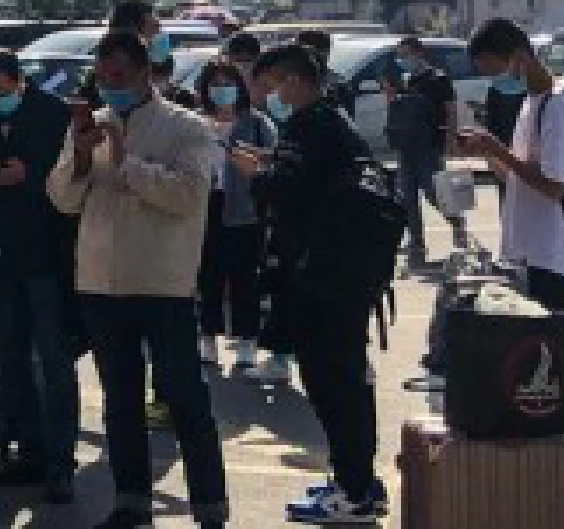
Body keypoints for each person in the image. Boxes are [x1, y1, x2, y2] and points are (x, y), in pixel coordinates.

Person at [48, 30, 228, 529]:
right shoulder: (91, 125)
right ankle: (131, 499)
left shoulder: (186, 126)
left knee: (185, 395)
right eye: (103, 78)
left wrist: (126, 160)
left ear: (146, 73)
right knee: (120, 399)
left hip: (162, 282)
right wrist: (82, 157)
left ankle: (209, 503)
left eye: (120, 77)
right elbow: (62, 199)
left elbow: (189, 196)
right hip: (102, 284)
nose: (110, 87)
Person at [243, 44, 386, 526]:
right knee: (347, 380)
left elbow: (286, 191)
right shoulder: (335, 123)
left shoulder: (309, 128)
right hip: (346, 276)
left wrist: (257, 174)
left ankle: (351, 493)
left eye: (273, 86)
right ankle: (357, 480)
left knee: (331, 384)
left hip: (320, 278)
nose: (270, 97)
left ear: (295, 82)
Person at [0, 50, 78, 504]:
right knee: (10, 358)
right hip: (0, 250)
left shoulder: (53, 113)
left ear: (18, 81)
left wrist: (28, 175)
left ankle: (59, 463)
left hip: (46, 249)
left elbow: (68, 174)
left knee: (54, 361)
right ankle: (27, 450)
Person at [457, 17, 564, 311]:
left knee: (547, 348)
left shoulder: (558, 108)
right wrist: (489, 154)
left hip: (550, 257)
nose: (495, 81)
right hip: (524, 254)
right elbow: (515, 178)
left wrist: (499, 151)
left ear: (519, 57)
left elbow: (553, 187)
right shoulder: (530, 104)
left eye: (495, 70)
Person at [193, 60, 279, 380]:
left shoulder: (256, 122)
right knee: (208, 277)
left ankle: (246, 343)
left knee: (245, 278)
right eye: (214, 84)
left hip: (246, 209)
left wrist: (251, 158)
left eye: (227, 83)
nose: (221, 90)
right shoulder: (196, 122)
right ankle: (208, 339)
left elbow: (274, 159)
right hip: (206, 206)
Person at [382, 36, 463, 267]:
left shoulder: (437, 79)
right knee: (407, 195)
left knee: (433, 191)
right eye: (400, 55)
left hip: (429, 144)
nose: (402, 60)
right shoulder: (405, 79)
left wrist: (451, 137)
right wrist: (391, 97)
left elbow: (450, 108)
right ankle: (416, 241)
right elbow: (397, 112)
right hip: (407, 145)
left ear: (419, 53)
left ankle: (456, 222)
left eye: (406, 54)